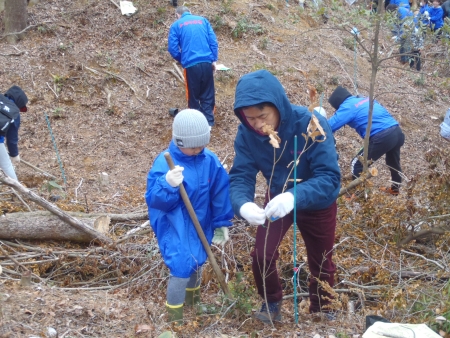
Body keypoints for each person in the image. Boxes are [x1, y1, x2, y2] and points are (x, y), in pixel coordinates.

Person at [229, 70, 341, 324]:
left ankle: (323, 308)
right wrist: (243, 204)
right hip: (276, 197)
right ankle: (271, 303)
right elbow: (241, 175)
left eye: (262, 116)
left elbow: (330, 178)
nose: (257, 124)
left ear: (278, 106)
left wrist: (294, 196)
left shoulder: (310, 124)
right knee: (262, 254)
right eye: (250, 118)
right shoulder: (246, 133)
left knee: (321, 260)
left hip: (316, 201)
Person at [145, 109, 233, 324]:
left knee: (197, 260)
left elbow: (220, 192)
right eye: (192, 146)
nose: (197, 149)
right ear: (179, 140)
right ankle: (175, 317)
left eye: (201, 145)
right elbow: (155, 200)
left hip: (200, 220)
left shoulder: (209, 160)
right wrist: (168, 183)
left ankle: (193, 304)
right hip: (174, 223)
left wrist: (221, 222)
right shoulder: (165, 163)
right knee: (182, 264)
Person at [327, 86, 405, 195]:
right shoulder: (364, 99)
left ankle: (358, 195)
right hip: (397, 131)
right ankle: (395, 189)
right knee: (393, 162)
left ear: (338, 103)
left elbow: (329, 127)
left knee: (357, 163)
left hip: (382, 136)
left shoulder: (347, 106)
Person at [168, 6, 218, 127]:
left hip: (190, 65)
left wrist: (182, 60)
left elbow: (172, 49)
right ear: (190, 12)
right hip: (206, 62)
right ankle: (209, 124)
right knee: (207, 93)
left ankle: (197, 125)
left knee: (193, 96)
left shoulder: (176, 25)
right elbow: (213, 42)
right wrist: (214, 60)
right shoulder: (203, 20)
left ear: (177, 15)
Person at [4, 85, 28, 165]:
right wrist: (14, 154)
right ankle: (13, 178)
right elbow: (12, 137)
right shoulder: (13, 113)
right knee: (7, 165)